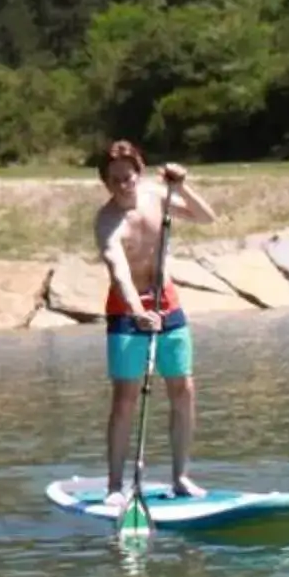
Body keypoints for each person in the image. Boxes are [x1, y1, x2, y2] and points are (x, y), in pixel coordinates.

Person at [94, 140, 215, 506]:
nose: (123, 185)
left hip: (168, 305)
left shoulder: (157, 197)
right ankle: (116, 487)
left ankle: (180, 477)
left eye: (127, 177)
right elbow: (119, 272)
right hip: (126, 313)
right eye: (114, 180)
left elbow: (206, 217)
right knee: (126, 399)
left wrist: (181, 188)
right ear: (106, 182)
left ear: (138, 173)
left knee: (184, 388)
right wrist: (135, 309)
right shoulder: (107, 221)